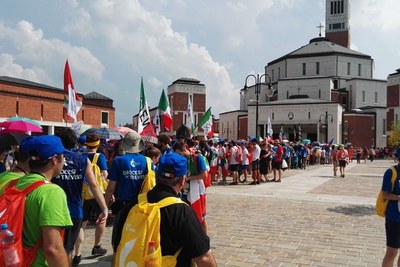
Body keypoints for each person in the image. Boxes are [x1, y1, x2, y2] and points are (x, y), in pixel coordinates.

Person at [114, 153, 217, 266]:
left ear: (156, 176)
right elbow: (204, 259)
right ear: (182, 180)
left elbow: (117, 249)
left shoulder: (134, 204)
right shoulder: (182, 212)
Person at [52, 129, 108, 266]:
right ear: (74, 142)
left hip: (54, 209)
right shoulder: (81, 160)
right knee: (68, 249)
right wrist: (104, 208)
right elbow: (94, 185)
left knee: (53, 249)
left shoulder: (52, 159)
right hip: (74, 210)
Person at [16, 135, 73, 266]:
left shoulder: (16, 183)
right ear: (54, 159)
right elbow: (53, 249)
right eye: (63, 156)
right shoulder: (51, 192)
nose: (64, 161)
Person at [105, 131, 149, 246]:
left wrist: (104, 206)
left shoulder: (118, 161)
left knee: (119, 239)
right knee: (139, 237)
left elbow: (110, 188)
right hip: (142, 205)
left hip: (123, 205)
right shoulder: (147, 161)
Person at [73, 133, 110, 266]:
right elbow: (105, 175)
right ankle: (97, 245)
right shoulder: (99, 156)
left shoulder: (79, 156)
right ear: (98, 144)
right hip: (97, 193)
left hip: (83, 194)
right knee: (101, 218)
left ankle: (77, 253)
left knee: (82, 224)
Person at [381, 150, 400, 266]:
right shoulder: (391, 172)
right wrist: (398, 197)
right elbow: (385, 194)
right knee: (392, 252)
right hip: (394, 218)